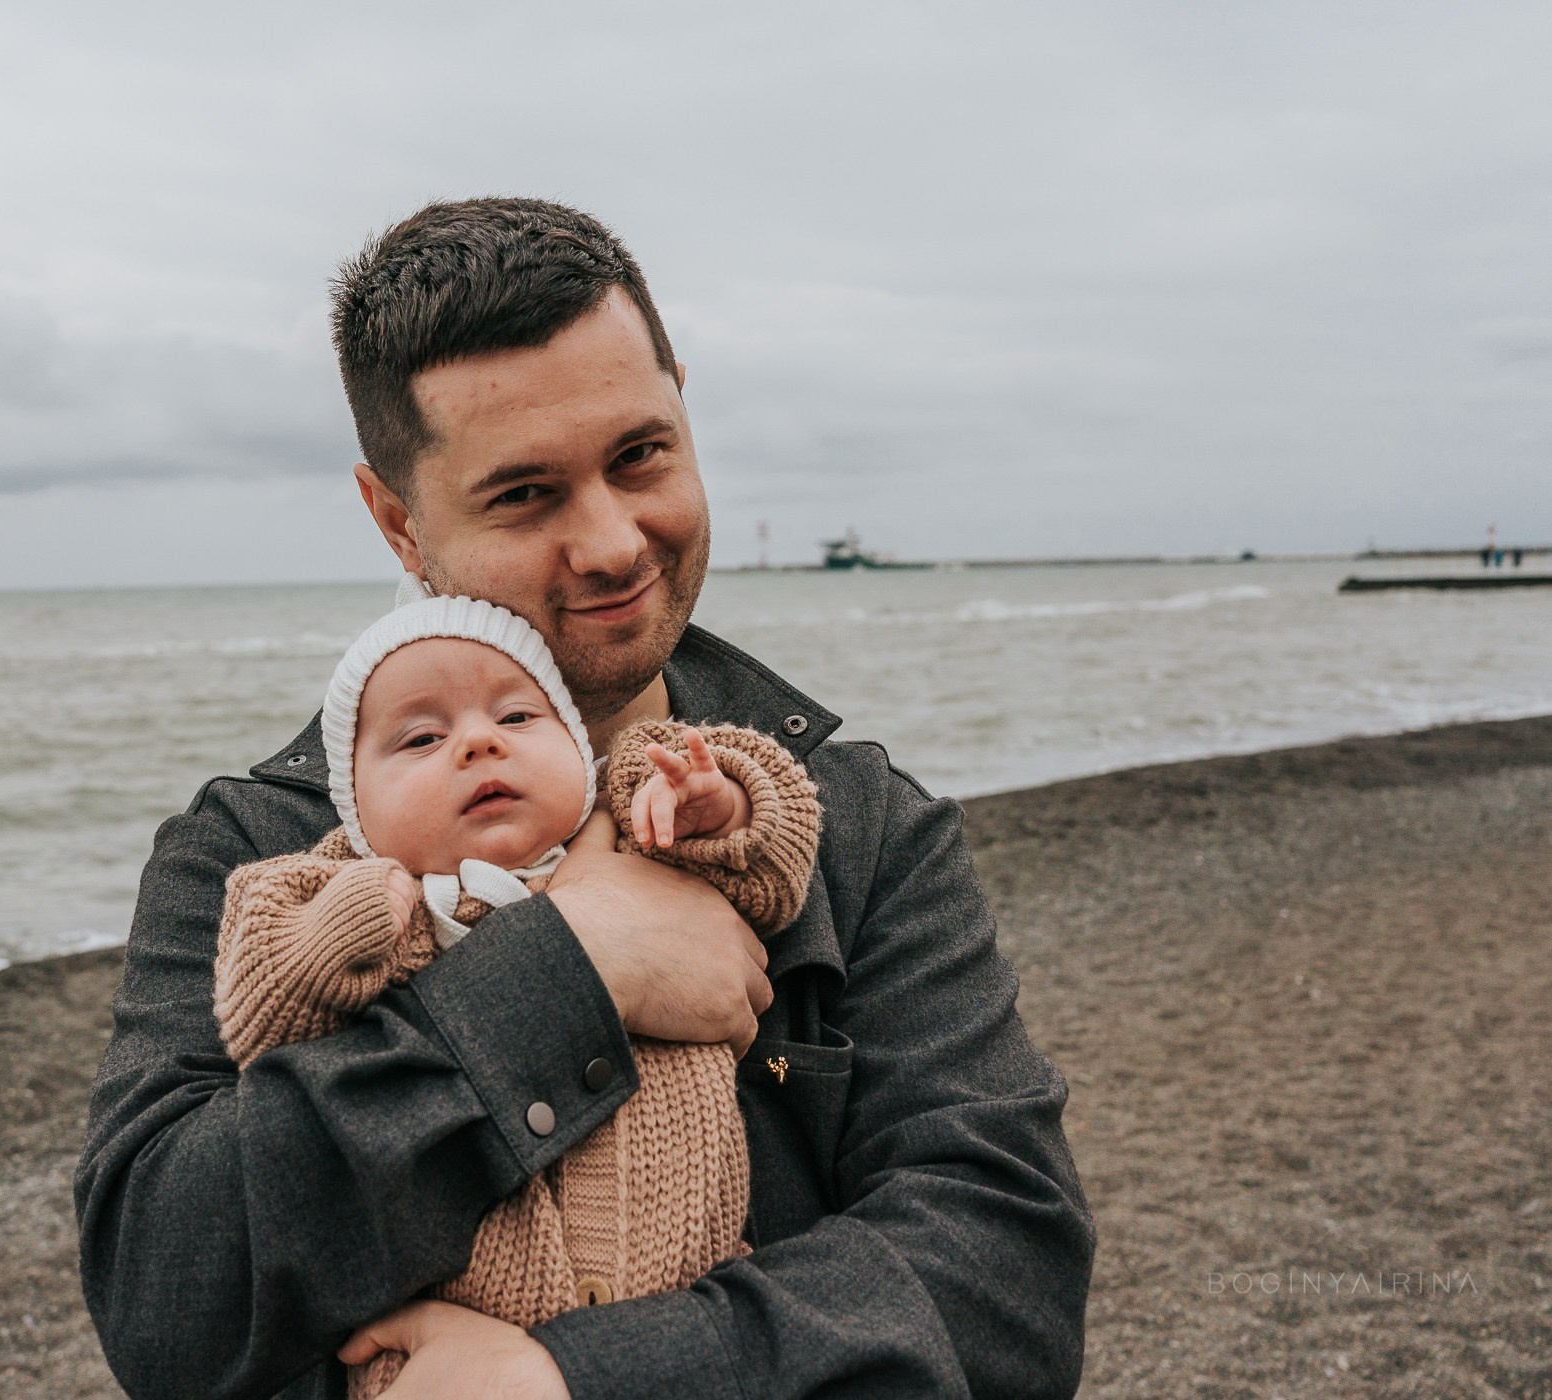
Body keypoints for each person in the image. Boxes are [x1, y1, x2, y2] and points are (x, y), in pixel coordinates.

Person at [76, 197, 1094, 1399]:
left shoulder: (855, 824)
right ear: (397, 519)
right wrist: (574, 967)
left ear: (684, 407)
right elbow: (169, 1291)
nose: (613, 541)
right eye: (524, 494)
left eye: (640, 455)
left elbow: (1007, 1280)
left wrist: (572, 1379)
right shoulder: (256, 851)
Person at [213, 587, 822, 1398]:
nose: (477, 745)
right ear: (354, 805)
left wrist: (721, 803)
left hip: (690, 1309)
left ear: (578, 750)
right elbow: (258, 1010)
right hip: (445, 1353)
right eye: (422, 737)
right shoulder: (354, 887)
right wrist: (349, 918)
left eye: (518, 719)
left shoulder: (645, 831)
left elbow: (777, 865)